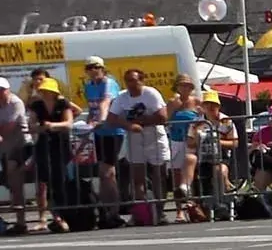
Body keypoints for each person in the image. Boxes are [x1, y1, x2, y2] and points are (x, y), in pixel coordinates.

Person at [112, 67, 170, 219]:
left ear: (141, 81)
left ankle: (160, 210)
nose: (131, 84)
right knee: (137, 176)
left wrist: (142, 121)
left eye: (134, 81)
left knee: (159, 174)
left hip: (154, 136)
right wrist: (129, 125)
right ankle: (142, 211)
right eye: (128, 81)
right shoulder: (122, 97)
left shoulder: (151, 94)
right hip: (134, 138)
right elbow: (111, 118)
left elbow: (163, 116)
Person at [78, 55, 124, 219]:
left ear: (102, 68)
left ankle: (114, 210)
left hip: (113, 131)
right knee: (103, 173)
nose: (93, 71)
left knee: (108, 172)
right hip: (98, 132)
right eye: (89, 68)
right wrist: (88, 124)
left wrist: (102, 119)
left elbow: (105, 102)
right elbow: (92, 108)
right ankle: (107, 209)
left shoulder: (108, 83)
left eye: (96, 67)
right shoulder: (89, 85)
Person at [28, 76, 76, 231]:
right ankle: (56, 216)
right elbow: (32, 125)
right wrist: (41, 127)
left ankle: (65, 215)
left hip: (60, 144)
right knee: (46, 181)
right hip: (43, 145)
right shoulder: (37, 105)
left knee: (60, 180)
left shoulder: (63, 104)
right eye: (43, 90)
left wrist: (53, 125)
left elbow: (68, 123)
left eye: (48, 90)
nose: (45, 93)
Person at [166, 72, 207, 217]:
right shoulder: (172, 102)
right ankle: (179, 211)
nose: (185, 88)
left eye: (188, 85)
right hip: (176, 140)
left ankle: (193, 207)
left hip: (192, 141)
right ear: (177, 87)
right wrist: (174, 109)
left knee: (191, 174)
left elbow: (203, 122)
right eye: (182, 85)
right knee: (177, 175)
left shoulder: (197, 102)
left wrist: (196, 130)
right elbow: (165, 120)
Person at [0, 77, 31, 230]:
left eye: (2, 90)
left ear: (8, 90)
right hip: (5, 149)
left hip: (21, 147)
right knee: (11, 184)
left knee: (15, 181)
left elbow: (9, 127)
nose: (0, 93)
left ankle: (21, 221)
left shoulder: (15, 103)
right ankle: (19, 221)